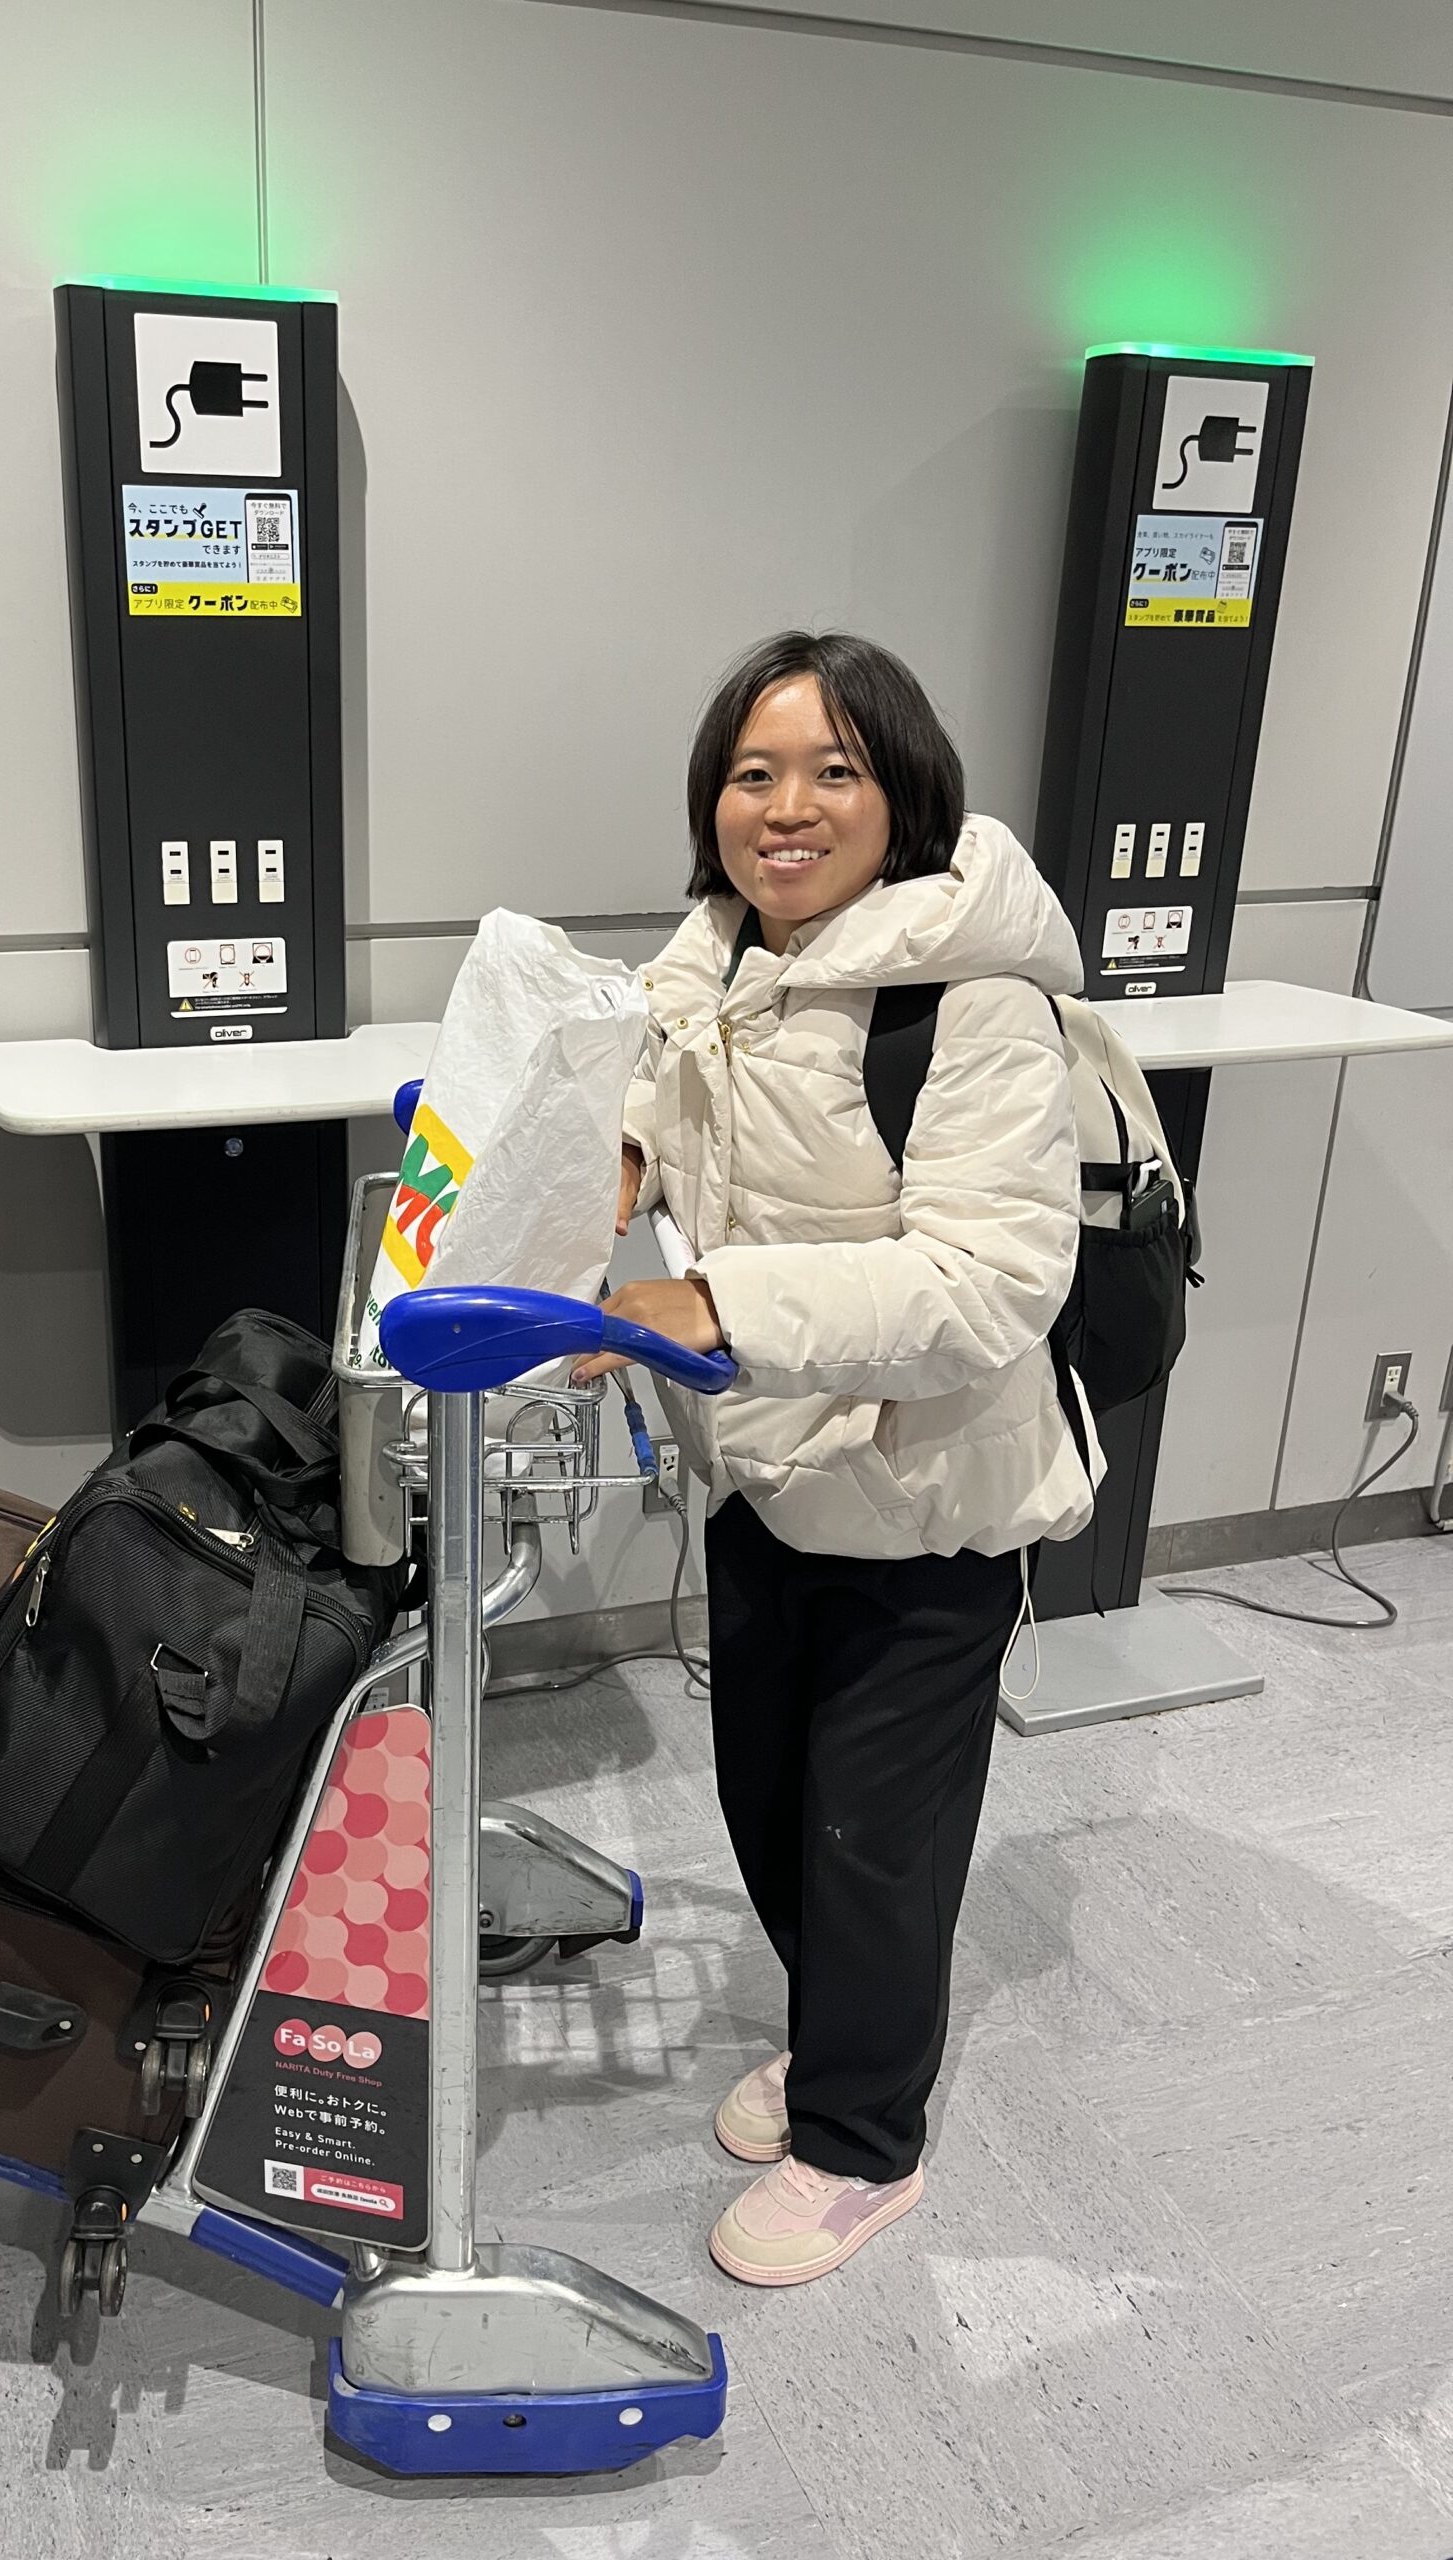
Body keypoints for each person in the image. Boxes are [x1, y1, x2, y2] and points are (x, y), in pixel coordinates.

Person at [571, 630, 1096, 2288]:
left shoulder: (972, 1000)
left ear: (903, 792)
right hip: (767, 1464)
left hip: (932, 1500)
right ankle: (835, 2035)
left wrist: (712, 1301)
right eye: (753, 773)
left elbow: (990, 1282)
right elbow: (654, 1087)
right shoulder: (719, 952)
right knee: (769, 1797)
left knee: (877, 1836)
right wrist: (615, 1153)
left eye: (832, 771)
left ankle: (866, 2145)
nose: (785, 807)